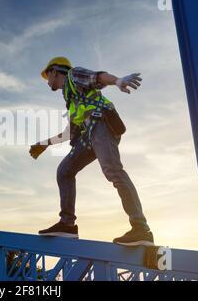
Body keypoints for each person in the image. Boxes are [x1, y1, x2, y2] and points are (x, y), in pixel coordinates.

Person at [30, 56, 154, 247]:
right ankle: (67, 225)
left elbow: (98, 77)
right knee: (65, 171)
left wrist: (118, 81)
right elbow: (69, 133)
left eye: (48, 75)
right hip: (88, 138)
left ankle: (141, 228)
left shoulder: (73, 74)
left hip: (102, 125)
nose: (47, 81)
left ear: (55, 71)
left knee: (113, 171)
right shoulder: (70, 98)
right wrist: (45, 144)